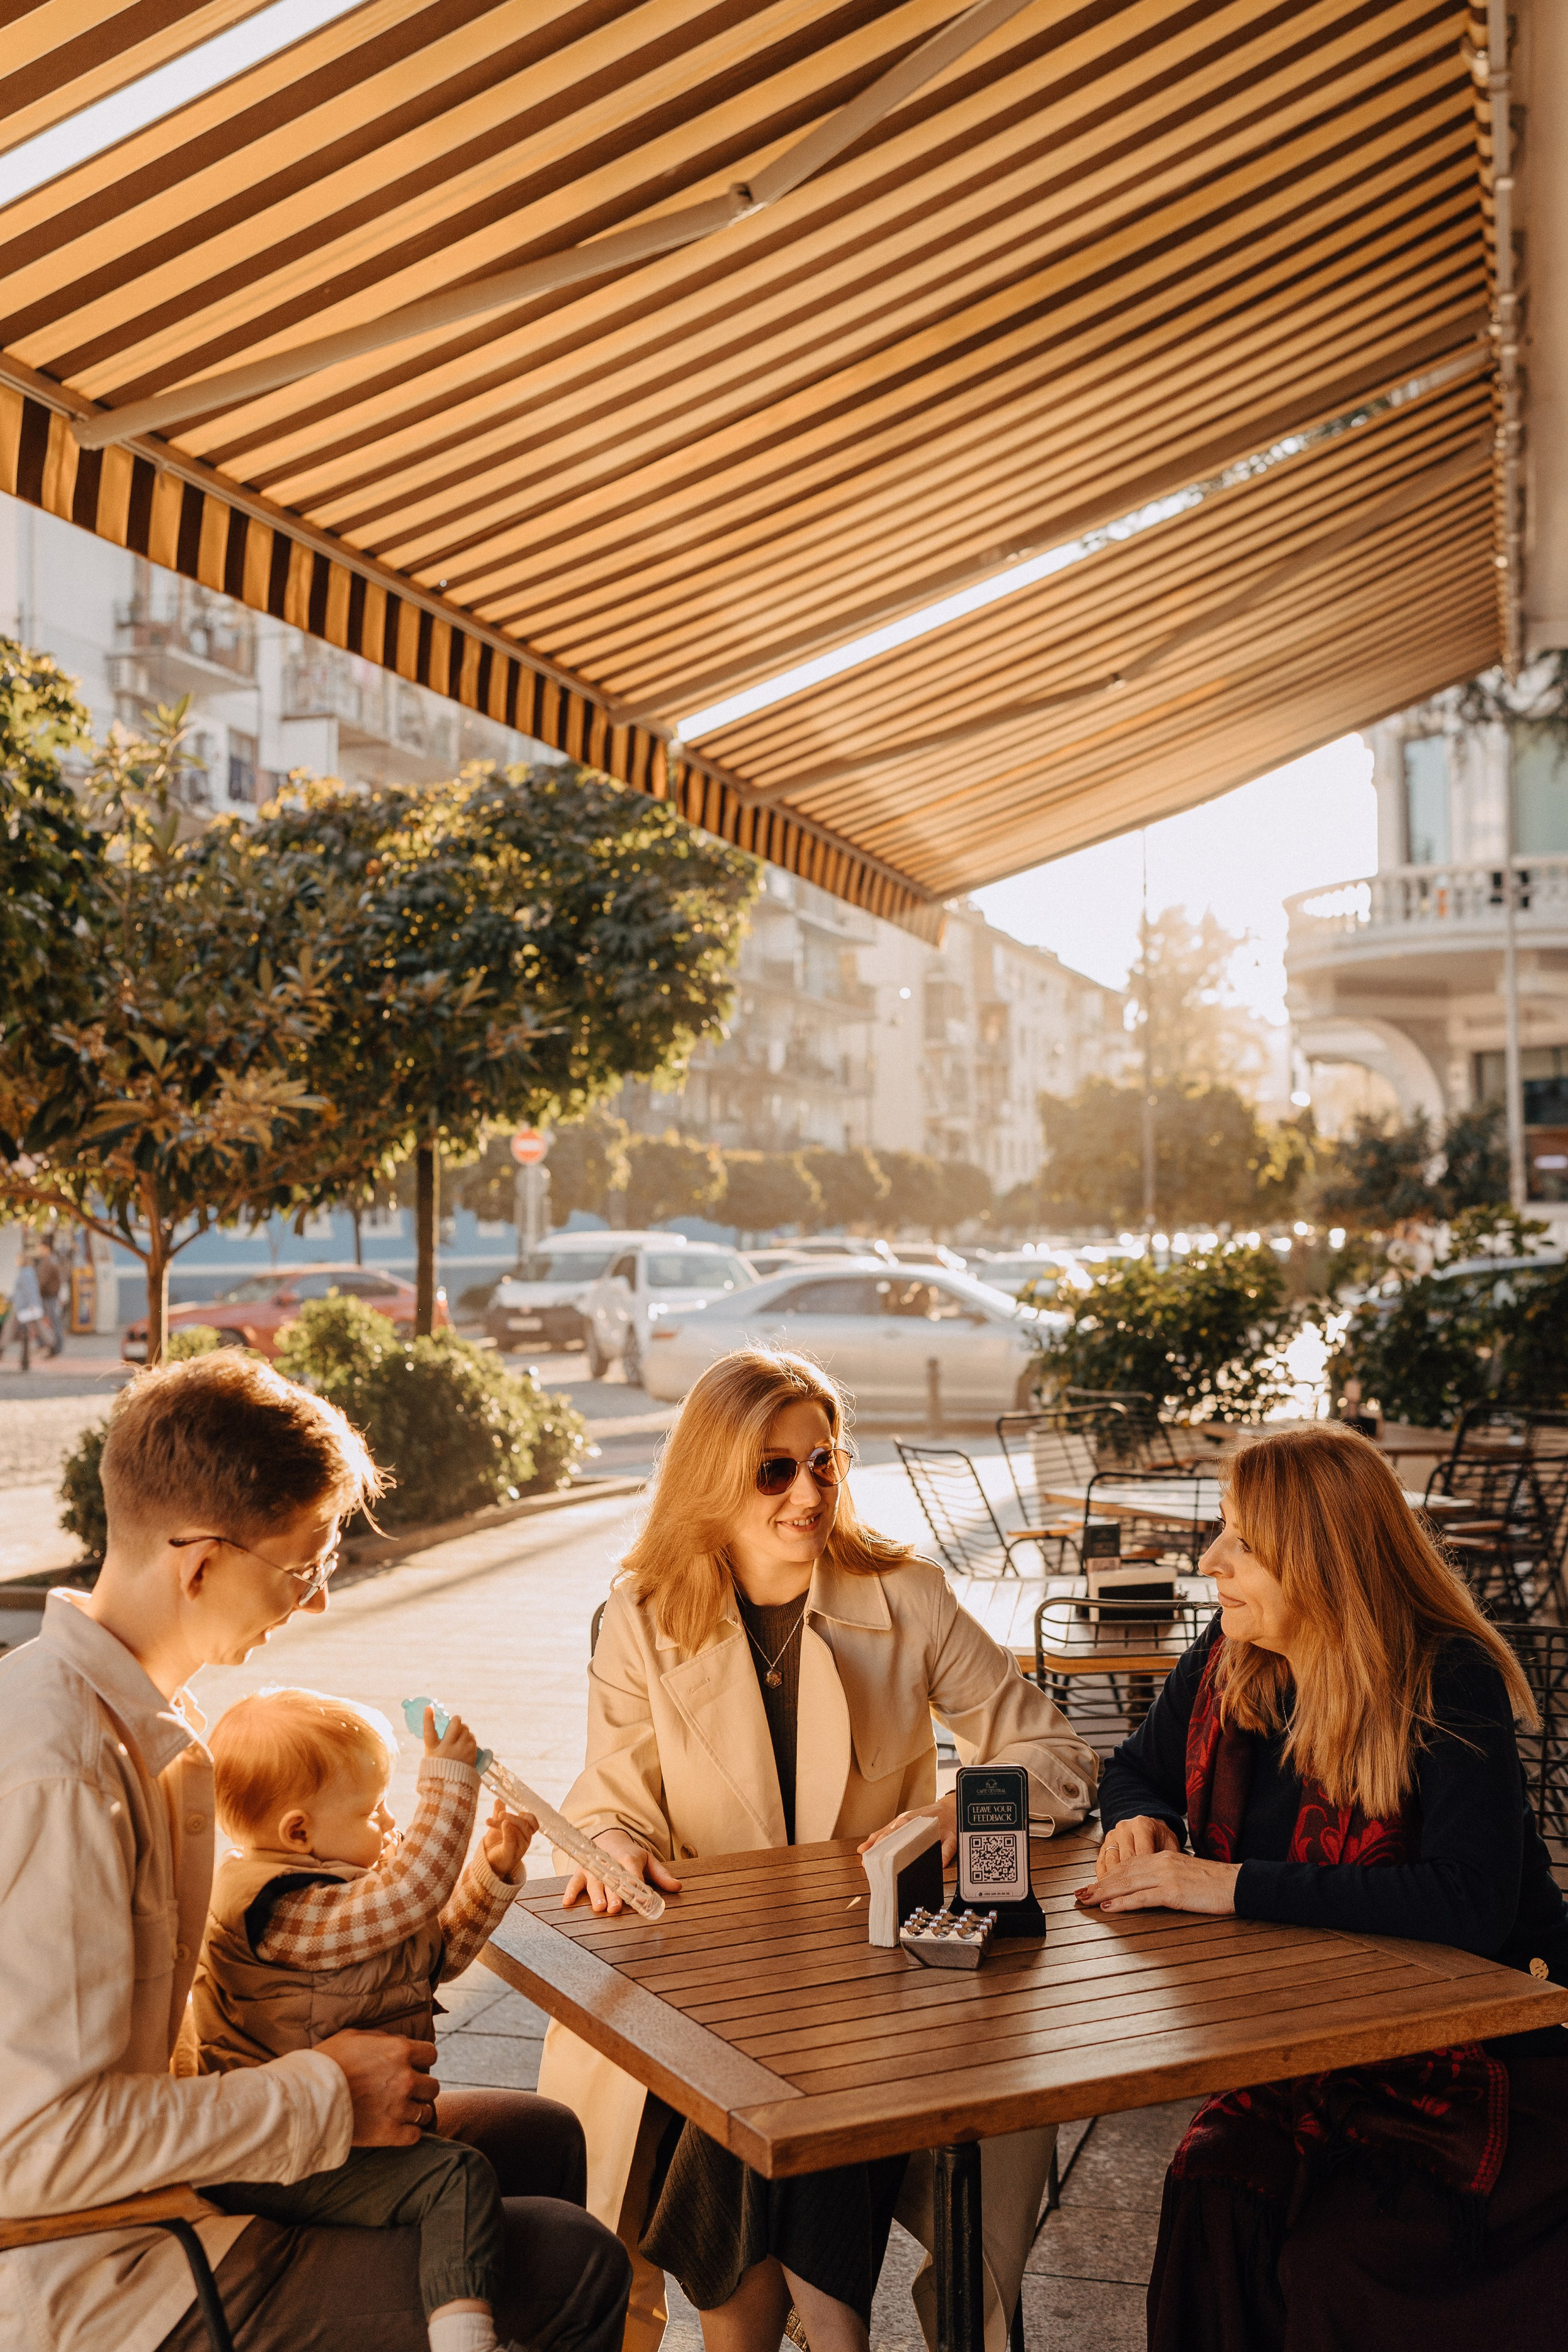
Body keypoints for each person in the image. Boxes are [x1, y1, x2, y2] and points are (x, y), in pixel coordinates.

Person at [0, 1350, 631, 2352]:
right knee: (569, 2262)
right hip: (112, 2272)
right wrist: (325, 2094)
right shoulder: (65, 1772)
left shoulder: (141, 1724)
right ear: (198, 1564)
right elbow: (35, 2150)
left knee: (539, 2137)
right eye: (303, 1566)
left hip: (183, 2171)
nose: (320, 1601)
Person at [537, 1347, 1099, 2352]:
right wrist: (615, 1835)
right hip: (708, 1979)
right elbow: (613, 1796)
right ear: (715, 1478)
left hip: (873, 1976)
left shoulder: (907, 1597)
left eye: (826, 1462)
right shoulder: (638, 1613)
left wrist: (950, 1814)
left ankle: (793, 2330)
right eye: (774, 1470)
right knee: (737, 2095)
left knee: (806, 2090)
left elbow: (1053, 1755)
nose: (809, 1492)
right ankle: (823, 2327)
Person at [1077, 1421, 1568, 2352]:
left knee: (1338, 2259)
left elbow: (1469, 1903)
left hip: (1486, 2045)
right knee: (1212, 2184)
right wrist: (1138, 1820)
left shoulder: (1442, 1677)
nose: (1210, 1559)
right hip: (1308, 2039)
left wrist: (1227, 1886)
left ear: (1322, 1564)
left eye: (1243, 1542)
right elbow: (1132, 1767)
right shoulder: (1231, 1662)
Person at [190, 1686, 539, 2352]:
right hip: (282, 2155)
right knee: (456, 2178)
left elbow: (432, 1953)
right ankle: (465, 2340)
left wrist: (492, 1870)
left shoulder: (344, 1902)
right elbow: (411, 1894)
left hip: (339, 2132)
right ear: (299, 1830)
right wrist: (446, 1788)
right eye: (372, 1810)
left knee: (515, 2142)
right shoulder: (281, 1911)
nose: (389, 1825)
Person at [4, 1249, 44, 1370]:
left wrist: (33, 1304)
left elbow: (29, 1290)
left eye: (18, 1259)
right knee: (24, 1331)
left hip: (23, 1307)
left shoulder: (26, 1273)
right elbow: (21, 1291)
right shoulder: (27, 1272)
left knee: (12, 1330)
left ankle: (51, 1344)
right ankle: (24, 1361)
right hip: (21, 1306)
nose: (16, 1261)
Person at [35, 1238, 66, 1357]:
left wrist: (36, 1290)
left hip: (50, 1296)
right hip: (48, 1295)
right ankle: (47, 1344)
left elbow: (44, 1280)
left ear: (46, 1248)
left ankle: (57, 1346)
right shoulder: (48, 1260)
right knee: (45, 1321)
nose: (38, 1250)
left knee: (53, 1321)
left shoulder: (50, 1261)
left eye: (40, 1247)